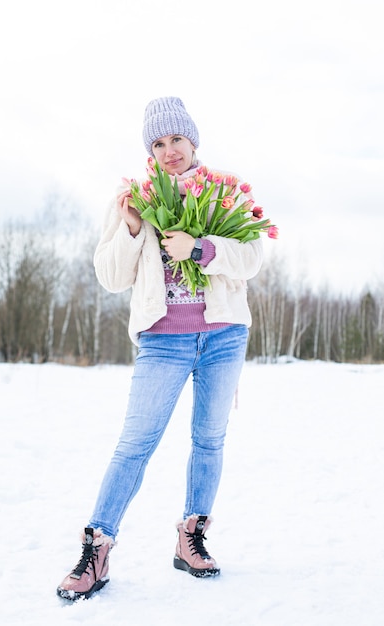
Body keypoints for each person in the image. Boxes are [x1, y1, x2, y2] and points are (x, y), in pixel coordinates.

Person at [57, 96, 264, 601]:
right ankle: (98, 548)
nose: (169, 150)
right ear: (149, 150)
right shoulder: (136, 196)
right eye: (158, 142)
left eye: (176, 139)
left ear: (193, 139)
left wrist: (198, 248)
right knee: (134, 445)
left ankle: (191, 538)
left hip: (223, 336)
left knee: (209, 440)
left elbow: (253, 254)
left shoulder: (226, 189)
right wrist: (131, 227)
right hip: (163, 342)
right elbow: (109, 276)